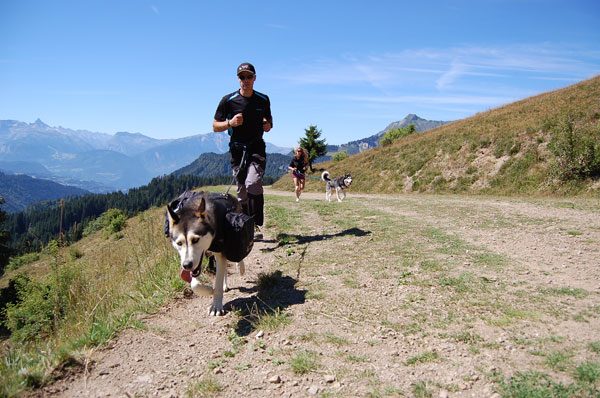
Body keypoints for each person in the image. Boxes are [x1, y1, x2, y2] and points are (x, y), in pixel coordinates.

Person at [213, 62, 272, 231]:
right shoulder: (228, 100)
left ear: (255, 78)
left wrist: (267, 125)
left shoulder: (263, 99)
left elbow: (269, 122)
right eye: (242, 77)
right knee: (241, 191)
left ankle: (255, 222)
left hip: (256, 147)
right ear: (238, 79)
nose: (245, 80)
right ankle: (247, 225)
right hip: (237, 150)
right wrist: (230, 123)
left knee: (252, 183)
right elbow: (215, 126)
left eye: (249, 76)